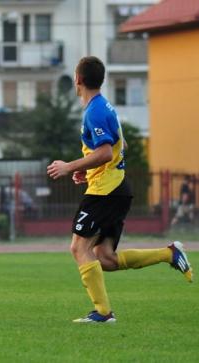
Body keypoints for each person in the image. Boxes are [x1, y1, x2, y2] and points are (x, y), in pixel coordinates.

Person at [47, 56, 193, 324]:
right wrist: (88, 169)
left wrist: (69, 166)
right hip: (115, 186)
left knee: (79, 247)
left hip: (107, 190)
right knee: (105, 258)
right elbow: (119, 148)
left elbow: (104, 152)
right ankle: (169, 253)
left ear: (78, 80)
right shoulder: (104, 107)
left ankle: (103, 313)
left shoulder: (95, 111)